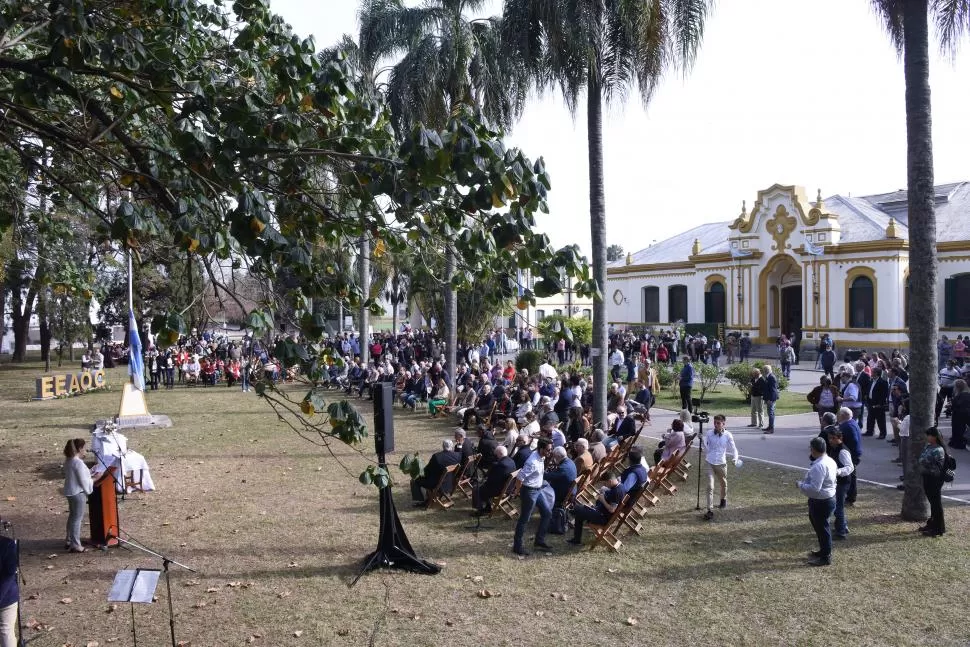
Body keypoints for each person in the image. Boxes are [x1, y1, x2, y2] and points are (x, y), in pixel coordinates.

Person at [797, 437, 838, 566]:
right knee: (820, 527)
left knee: (823, 529)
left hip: (821, 501)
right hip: (828, 498)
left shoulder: (819, 466)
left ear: (813, 450)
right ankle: (823, 551)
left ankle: (826, 556)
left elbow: (815, 489)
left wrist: (800, 485)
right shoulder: (830, 460)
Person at [513, 438, 554, 556]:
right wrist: (517, 491)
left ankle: (539, 541)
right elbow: (520, 477)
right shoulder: (532, 462)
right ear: (541, 449)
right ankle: (517, 546)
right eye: (548, 450)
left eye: (551, 449)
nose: (550, 452)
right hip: (530, 492)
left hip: (538, 489)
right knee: (524, 519)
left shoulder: (542, 456)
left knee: (547, 513)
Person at [568, 471, 625, 546]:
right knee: (580, 511)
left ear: (610, 481)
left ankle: (571, 514)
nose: (605, 485)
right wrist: (604, 492)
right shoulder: (620, 486)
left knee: (578, 509)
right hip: (601, 512)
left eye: (605, 483)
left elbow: (612, 509)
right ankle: (576, 540)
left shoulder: (616, 492)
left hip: (603, 518)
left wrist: (603, 500)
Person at [703, 415, 739, 520]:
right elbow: (707, 448)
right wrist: (702, 441)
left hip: (721, 463)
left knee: (723, 483)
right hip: (710, 462)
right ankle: (710, 510)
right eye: (715, 422)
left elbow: (734, 448)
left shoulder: (728, 435)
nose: (716, 425)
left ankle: (723, 499)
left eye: (718, 423)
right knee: (710, 486)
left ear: (723, 424)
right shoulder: (709, 433)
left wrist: (735, 458)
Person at [63, 438, 94, 552]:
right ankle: (75, 544)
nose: (85, 450)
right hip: (77, 493)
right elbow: (83, 480)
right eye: (84, 448)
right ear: (80, 449)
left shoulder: (69, 460)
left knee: (72, 517)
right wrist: (94, 479)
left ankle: (69, 540)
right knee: (77, 518)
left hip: (70, 492)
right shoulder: (78, 462)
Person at [824, 428, 855, 540]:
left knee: (838, 507)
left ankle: (841, 532)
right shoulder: (834, 448)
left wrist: (838, 472)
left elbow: (850, 467)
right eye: (829, 438)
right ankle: (843, 526)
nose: (831, 440)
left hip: (842, 482)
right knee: (838, 506)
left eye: (833, 438)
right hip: (838, 482)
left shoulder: (843, 451)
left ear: (839, 438)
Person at [409, 440, 461, 506]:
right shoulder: (457, 456)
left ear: (443, 446)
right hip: (449, 483)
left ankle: (423, 501)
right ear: (452, 446)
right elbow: (460, 452)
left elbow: (427, 471)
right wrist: (459, 445)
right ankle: (428, 498)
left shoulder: (437, 457)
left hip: (437, 484)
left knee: (414, 480)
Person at [918, 428, 947, 537]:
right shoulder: (929, 446)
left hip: (934, 479)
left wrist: (922, 460)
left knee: (936, 504)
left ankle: (939, 528)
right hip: (927, 477)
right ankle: (931, 524)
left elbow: (923, 460)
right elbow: (922, 458)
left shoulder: (938, 450)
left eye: (928, 435)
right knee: (932, 503)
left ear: (934, 437)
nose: (927, 437)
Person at [471, 446, 516, 515]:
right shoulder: (511, 461)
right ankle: (488, 507)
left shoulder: (500, 465)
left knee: (476, 488)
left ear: (500, 454)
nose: (495, 457)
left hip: (500, 489)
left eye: (496, 455)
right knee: (483, 487)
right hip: (509, 488)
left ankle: (480, 510)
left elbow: (491, 481)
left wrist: (483, 482)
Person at [836, 407, 863, 506]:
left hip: (852, 455)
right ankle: (850, 496)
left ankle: (851, 497)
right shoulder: (851, 423)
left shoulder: (847, 426)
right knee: (851, 475)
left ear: (843, 416)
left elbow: (854, 441)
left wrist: (848, 452)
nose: (837, 416)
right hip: (854, 453)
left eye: (838, 414)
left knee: (851, 476)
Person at [0, 533, 19, 647]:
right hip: (7, 595)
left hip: (6, 597)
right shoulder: (8, 544)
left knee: (6, 630)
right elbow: (10, 573)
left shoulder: (8, 544)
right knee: (6, 631)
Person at [865, 367, 890, 438]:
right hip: (871, 402)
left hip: (878, 404)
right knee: (870, 418)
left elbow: (884, 394)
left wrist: (880, 404)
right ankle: (870, 431)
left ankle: (882, 433)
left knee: (880, 419)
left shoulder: (883, 382)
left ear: (876, 373)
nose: (871, 373)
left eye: (872, 372)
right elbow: (869, 390)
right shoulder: (871, 381)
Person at [762, 365, 779, 433]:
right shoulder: (769, 376)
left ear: (766, 370)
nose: (763, 371)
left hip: (771, 399)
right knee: (770, 413)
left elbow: (773, 390)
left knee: (771, 413)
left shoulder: (771, 377)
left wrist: (770, 400)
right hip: (769, 398)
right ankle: (770, 427)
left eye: (763, 370)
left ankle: (771, 429)